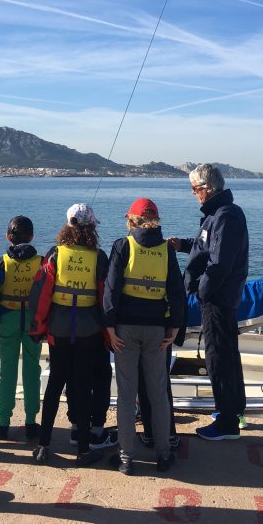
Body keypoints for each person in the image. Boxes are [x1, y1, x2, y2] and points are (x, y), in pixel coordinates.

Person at [103, 198, 186, 475]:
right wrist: (175, 327)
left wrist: (110, 326)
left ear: (132, 220)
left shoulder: (123, 246)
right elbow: (177, 291)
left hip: (125, 330)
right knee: (158, 393)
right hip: (157, 331)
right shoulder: (166, 250)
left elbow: (111, 289)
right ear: (156, 220)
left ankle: (126, 459)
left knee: (127, 395)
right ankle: (163, 455)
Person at [169, 163, 248, 441]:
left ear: (208, 189)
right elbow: (206, 246)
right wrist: (181, 245)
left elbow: (219, 262)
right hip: (218, 297)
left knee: (219, 357)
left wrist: (202, 291)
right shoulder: (218, 215)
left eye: (195, 189)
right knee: (226, 353)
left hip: (217, 298)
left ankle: (227, 424)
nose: (194, 195)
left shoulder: (226, 216)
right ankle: (232, 410)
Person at [29, 203, 108, 467]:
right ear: (92, 227)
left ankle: (43, 446)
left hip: (58, 331)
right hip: (89, 333)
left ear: (67, 225)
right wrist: (107, 335)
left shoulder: (54, 255)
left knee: (54, 385)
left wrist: (38, 329)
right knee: (84, 388)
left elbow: (41, 295)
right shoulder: (98, 257)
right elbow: (104, 299)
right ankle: (83, 450)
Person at [0, 215, 42, 440]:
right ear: (31, 236)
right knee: (32, 371)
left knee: (7, 371)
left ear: (8, 237)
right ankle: (31, 422)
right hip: (32, 321)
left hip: (8, 319)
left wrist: (0, 315)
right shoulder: (41, 262)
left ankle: (3, 422)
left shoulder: (0, 263)